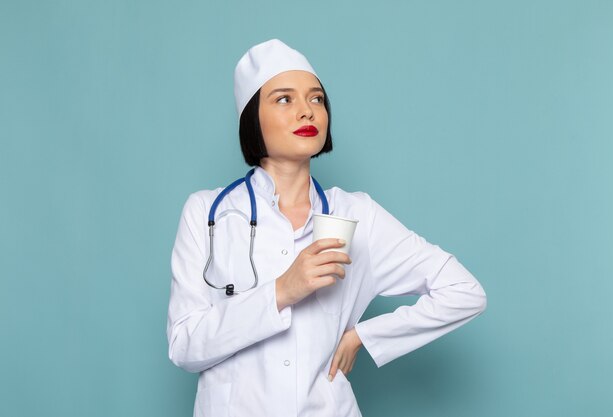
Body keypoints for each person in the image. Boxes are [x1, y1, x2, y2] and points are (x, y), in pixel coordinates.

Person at [167, 39, 487, 417]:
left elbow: (464, 292)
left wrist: (365, 336)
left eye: (316, 99)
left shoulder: (357, 214)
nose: (307, 111)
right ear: (251, 118)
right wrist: (281, 291)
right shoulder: (207, 213)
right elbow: (184, 346)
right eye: (284, 99)